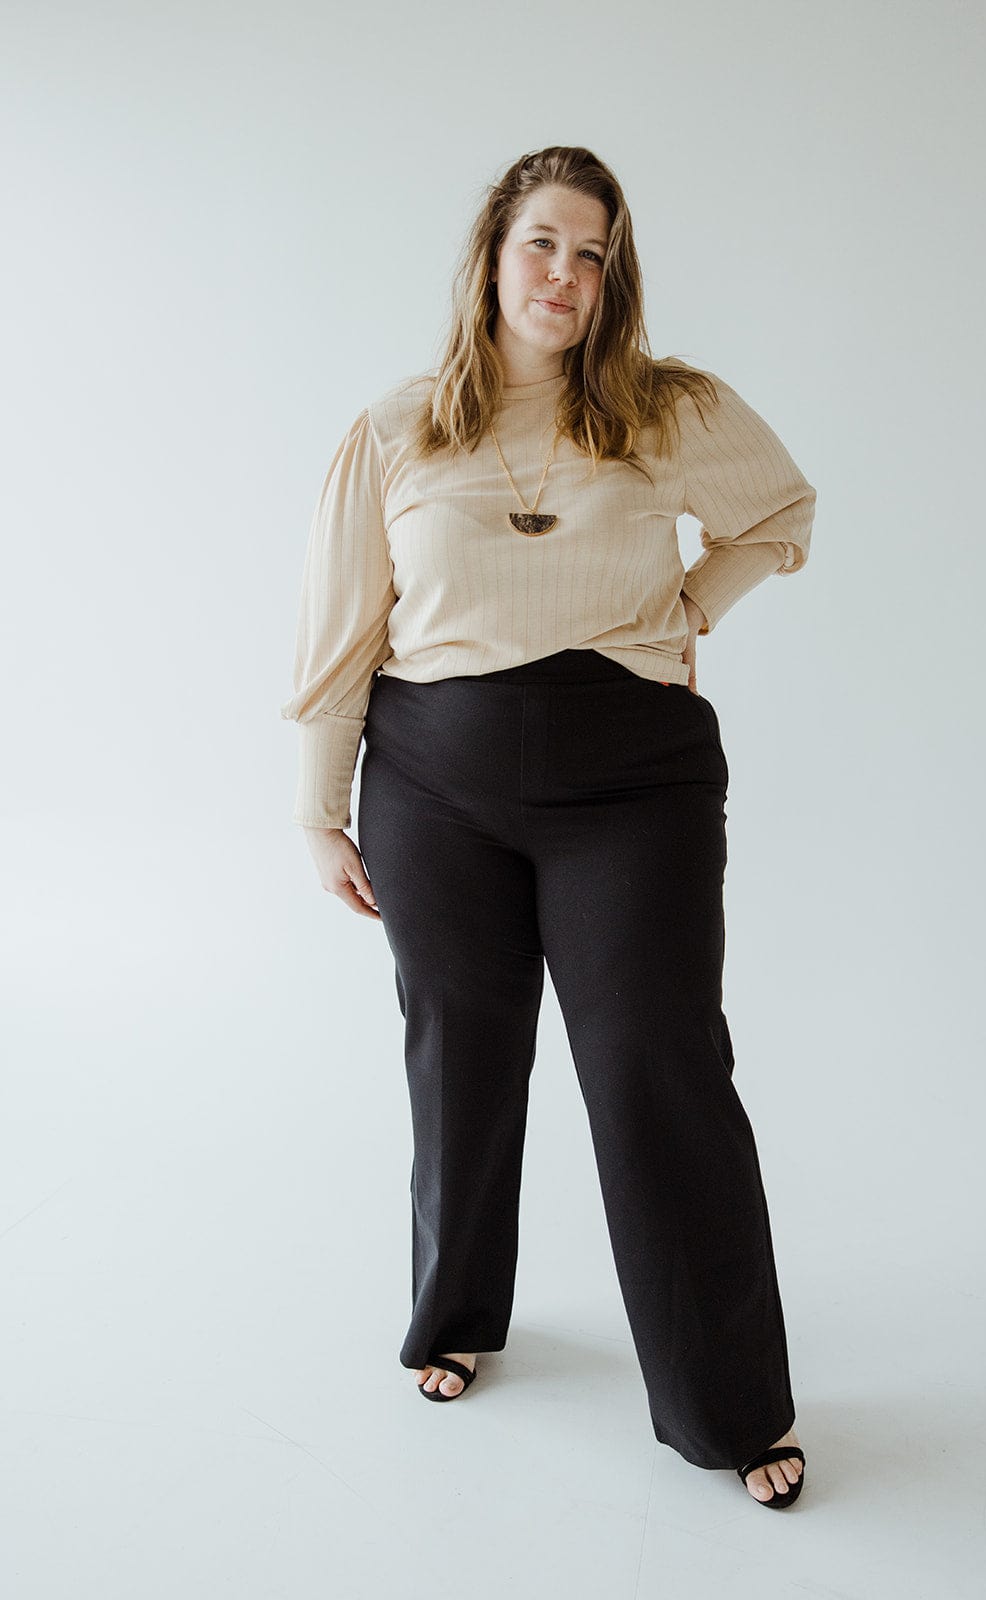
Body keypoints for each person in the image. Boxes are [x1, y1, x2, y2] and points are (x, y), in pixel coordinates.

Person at [280, 145, 816, 1510]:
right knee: (459, 1058)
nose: (565, 275)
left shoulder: (667, 408)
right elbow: (344, 637)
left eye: (592, 253)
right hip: (434, 789)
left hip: (631, 788)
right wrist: (317, 811)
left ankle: (731, 1406)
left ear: (612, 276)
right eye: (543, 244)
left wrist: (689, 610)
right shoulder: (399, 429)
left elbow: (780, 510)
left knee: (656, 1068)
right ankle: (455, 1313)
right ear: (492, 255)